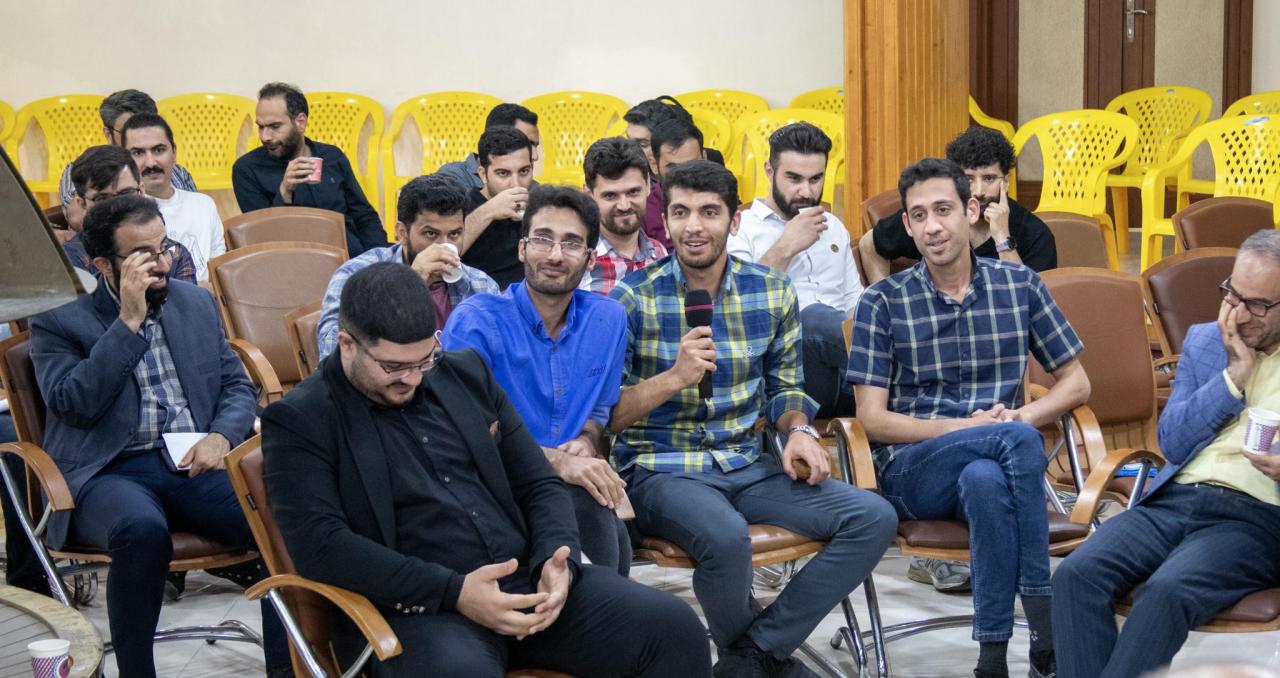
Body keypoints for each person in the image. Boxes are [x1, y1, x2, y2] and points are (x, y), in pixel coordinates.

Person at [261, 262, 711, 677]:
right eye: (394, 367)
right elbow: (322, 547)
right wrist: (454, 591)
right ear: (347, 345)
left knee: (673, 627)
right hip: (419, 608)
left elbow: (539, 482)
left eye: (424, 360)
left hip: (526, 582)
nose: (413, 379)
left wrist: (557, 560)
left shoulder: (463, 373)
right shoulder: (303, 419)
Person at [608, 160, 897, 678]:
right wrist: (673, 378)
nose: (694, 226)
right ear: (666, 220)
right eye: (681, 212)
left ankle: (755, 655)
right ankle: (766, 664)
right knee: (725, 538)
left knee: (873, 517)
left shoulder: (772, 290)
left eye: (709, 212)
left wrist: (799, 431)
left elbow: (786, 390)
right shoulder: (631, 297)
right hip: (662, 469)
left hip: (747, 464)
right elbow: (609, 415)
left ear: (734, 220)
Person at [847, 158, 1090, 678]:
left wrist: (1022, 414)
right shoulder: (882, 301)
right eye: (918, 215)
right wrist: (974, 428)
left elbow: (1077, 382)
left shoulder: (1019, 284)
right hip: (914, 468)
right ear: (907, 225)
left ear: (971, 211)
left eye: (943, 210)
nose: (932, 226)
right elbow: (872, 419)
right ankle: (1046, 627)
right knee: (1016, 441)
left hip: (995, 463)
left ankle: (992, 661)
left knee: (985, 479)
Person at [28, 194, 288, 678]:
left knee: (284, 513)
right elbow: (73, 405)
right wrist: (128, 323)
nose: (161, 262)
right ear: (103, 264)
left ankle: (288, 669)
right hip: (107, 471)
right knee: (140, 529)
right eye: (141, 254)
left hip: (190, 460)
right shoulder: (60, 317)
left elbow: (236, 385)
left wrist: (221, 436)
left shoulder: (194, 302)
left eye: (163, 246)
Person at [1052, 230, 1280, 678]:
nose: (1237, 314)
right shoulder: (1207, 341)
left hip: (1256, 517)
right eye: (1232, 295)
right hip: (1176, 500)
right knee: (1075, 576)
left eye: (1256, 305)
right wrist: (1233, 377)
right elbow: (1172, 442)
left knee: (1165, 593)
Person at [443, 185, 632, 574]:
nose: (555, 255)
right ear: (522, 249)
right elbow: (469, 435)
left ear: (590, 260)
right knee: (597, 525)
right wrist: (560, 463)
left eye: (572, 243)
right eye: (543, 239)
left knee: (613, 535)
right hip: (492, 488)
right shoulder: (476, 322)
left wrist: (585, 440)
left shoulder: (608, 319)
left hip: (567, 487)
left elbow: (600, 408)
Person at [728, 122, 862, 419]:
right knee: (812, 318)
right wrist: (786, 246)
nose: (806, 191)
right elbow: (736, 306)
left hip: (847, 375)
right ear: (769, 171)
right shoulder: (742, 228)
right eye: (794, 178)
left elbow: (855, 305)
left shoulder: (834, 227)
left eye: (816, 179)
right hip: (784, 373)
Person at [317, 173, 498, 359]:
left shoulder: (481, 285)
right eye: (430, 234)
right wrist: (410, 283)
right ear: (402, 233)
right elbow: (332, 353)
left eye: (454, 234)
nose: (444, 245)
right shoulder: (356, 275)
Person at [859, 127, 1056, 284]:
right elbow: (869, 244)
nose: (978, 191)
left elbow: (1030, 304)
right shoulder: (933, 218)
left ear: (1005, 181)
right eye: (969, 179)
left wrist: (1003, 239)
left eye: (989, 178)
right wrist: (887, 306)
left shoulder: (1035, 233)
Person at [232, 82, 387, 257]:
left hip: (349, 257)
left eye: (275, 127)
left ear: (300, 122)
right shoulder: (247, 170)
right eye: (261, 127)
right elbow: (262, 237)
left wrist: (380, 258)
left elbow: (364, 216)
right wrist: (284, 193)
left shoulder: (332, 157)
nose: (265, 136)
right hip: (295, 263)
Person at [58, 89, 198, 231]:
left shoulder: (177, 172)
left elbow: (197, 218)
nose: (141, 136)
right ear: (108, 134)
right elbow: (78, 219)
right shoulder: (82, 171)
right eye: (128, 129)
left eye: (148, 127)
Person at [63, 145, 198, 283]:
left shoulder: (173, 254)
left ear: (142, 191)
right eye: (103, 199)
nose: (118, 208)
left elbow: (185, 297)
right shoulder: (68, 260)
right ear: (82, 204)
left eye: (126, 194)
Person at [121, 113, 225, 280]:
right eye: (138, 153)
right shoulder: (123, 217)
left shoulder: (204, 205)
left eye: (159, 150)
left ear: (174, 152)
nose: (151, 162)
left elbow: (219, 270)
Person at [622, 97, 726, 250]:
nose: (630, 149)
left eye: (642, 144)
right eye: (628, 141)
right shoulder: (627, 191)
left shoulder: (712, 168)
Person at [580, 136, 667, 295]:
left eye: (633, 192)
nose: (624, 205)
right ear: (589, 194)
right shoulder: (577, 260)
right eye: (610, 196)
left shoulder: (659, 253)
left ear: (648, 185)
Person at [461, 126, 535, 289]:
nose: (516, 183)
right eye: (503, 173)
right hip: (478, 298)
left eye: (524, 171)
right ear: (483, 174)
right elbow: (444, 256)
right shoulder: (460, 207)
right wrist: (489, 211)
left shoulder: (539, 207)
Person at [438, 103, 542, 192]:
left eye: (536, 146)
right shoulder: (452, 177)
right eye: (524, 143)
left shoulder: (533, 188)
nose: (535, 156)